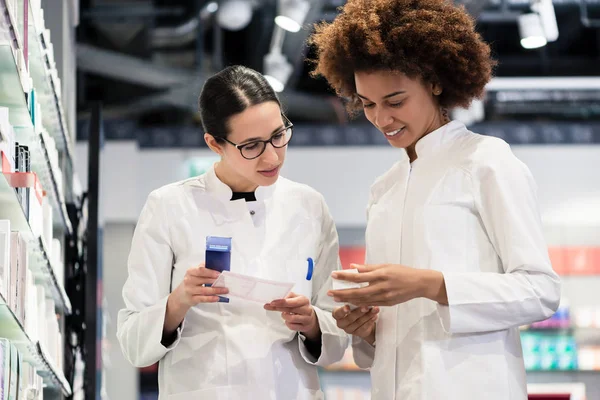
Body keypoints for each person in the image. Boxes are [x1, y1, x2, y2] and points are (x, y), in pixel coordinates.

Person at [308, 0, 561, 399]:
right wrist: (369, 328)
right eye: (368, 104)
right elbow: (391, 332)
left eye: (395, 101)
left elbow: (540, 291)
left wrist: (429, 284)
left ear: (436, 82)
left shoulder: (485, 161)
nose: (381, 119)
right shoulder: (384, 189)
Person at [117, 65, 349, 400]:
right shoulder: (169, 206)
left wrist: (311, 322)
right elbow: (134, 344)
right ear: (214, 143)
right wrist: (180, 300)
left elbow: (337, 339)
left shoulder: (309, 206)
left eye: (278, 135)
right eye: (252, 145)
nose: (272, 155)